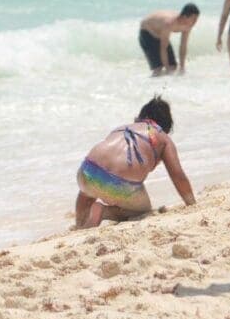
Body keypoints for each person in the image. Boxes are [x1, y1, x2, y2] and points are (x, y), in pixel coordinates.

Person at [74, 97, 195, 228]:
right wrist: (191, 203)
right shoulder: (163, 139)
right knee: (143, 211)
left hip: (86, 171)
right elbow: (177, 175)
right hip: (119, 183)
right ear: (166, 124)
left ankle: (80, 224)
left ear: (141, 116)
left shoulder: (121, 128)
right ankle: (104, 212)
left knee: (87, 192)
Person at [138, 4, 199, 76]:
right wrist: (167, 69)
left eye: (196, 19)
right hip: (147, 32)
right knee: (158, 68)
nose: (195, 22)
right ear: (185, 17)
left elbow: (183, 46)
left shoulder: (188, 26)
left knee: (173, 67)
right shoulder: (169, 23)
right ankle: (151, 84)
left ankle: (164, 84)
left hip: (160, 34)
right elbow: (163, 48)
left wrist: (182, 67)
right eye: (194, 19)